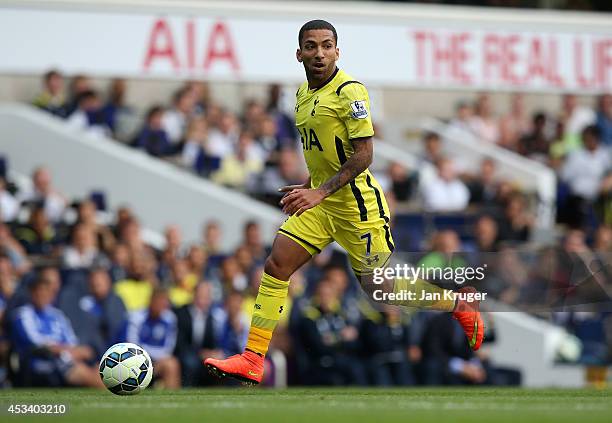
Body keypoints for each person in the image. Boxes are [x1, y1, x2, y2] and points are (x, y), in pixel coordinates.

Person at [204, 19, 484, 385]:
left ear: (337, 51)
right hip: (321, 205)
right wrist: (307, 186)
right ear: (299, 53)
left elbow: (365, 154)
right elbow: (324, 155)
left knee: (380, 289)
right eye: (311, 45)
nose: (319, 52)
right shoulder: (303, 95)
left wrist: (318, 191)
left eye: (326, 45)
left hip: (357, 207)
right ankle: (254, 358)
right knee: (276, 264)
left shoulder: (350, 91)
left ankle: (458, 304)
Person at [10, 275, 103, 387]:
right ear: (32, 293)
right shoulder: (23, 315)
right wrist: (63, 351)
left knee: (98, 368)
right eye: (39, 291)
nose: (43, 295)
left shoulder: (57, 315)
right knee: (83, 373)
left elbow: (71, 341)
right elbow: (37, 343)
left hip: (65, 359)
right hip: (40, 362)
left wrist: (79, 351)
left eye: (46, 292)